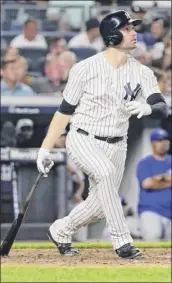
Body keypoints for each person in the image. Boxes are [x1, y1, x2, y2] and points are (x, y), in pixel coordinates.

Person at [36, 10, 168, 258]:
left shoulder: (142, 72)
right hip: (84, 137)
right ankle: (122, 240)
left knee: (98, 206)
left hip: (118, 143)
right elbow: (64, 112)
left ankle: (61, 230)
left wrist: (148, 107)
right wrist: (45, 148)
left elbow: (161, 107)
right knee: (105, 174)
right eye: (127, 29)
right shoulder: (85, 68)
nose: (134, 33)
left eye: (133, 28)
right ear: (112, 35)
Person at [136, 128, 171, 241]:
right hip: (151, 211)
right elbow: (147, 184)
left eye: (166, 140)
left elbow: (153, 182)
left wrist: (159, 179)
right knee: (152, 243)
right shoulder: (145, 162)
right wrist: (168, 180)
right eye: (159, 140)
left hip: (169, 213)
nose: (163, 143)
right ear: (153, 143)